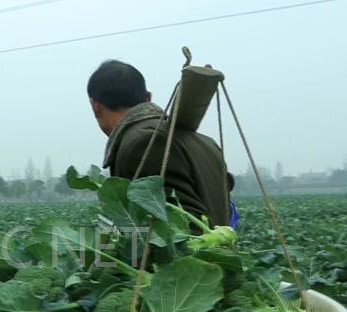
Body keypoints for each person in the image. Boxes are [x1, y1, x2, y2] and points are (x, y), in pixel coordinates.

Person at [88, 59, 236, 228]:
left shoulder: (144, 145)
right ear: (148, 97)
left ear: (96, 106)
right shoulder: (207, 143)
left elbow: (180, 234)